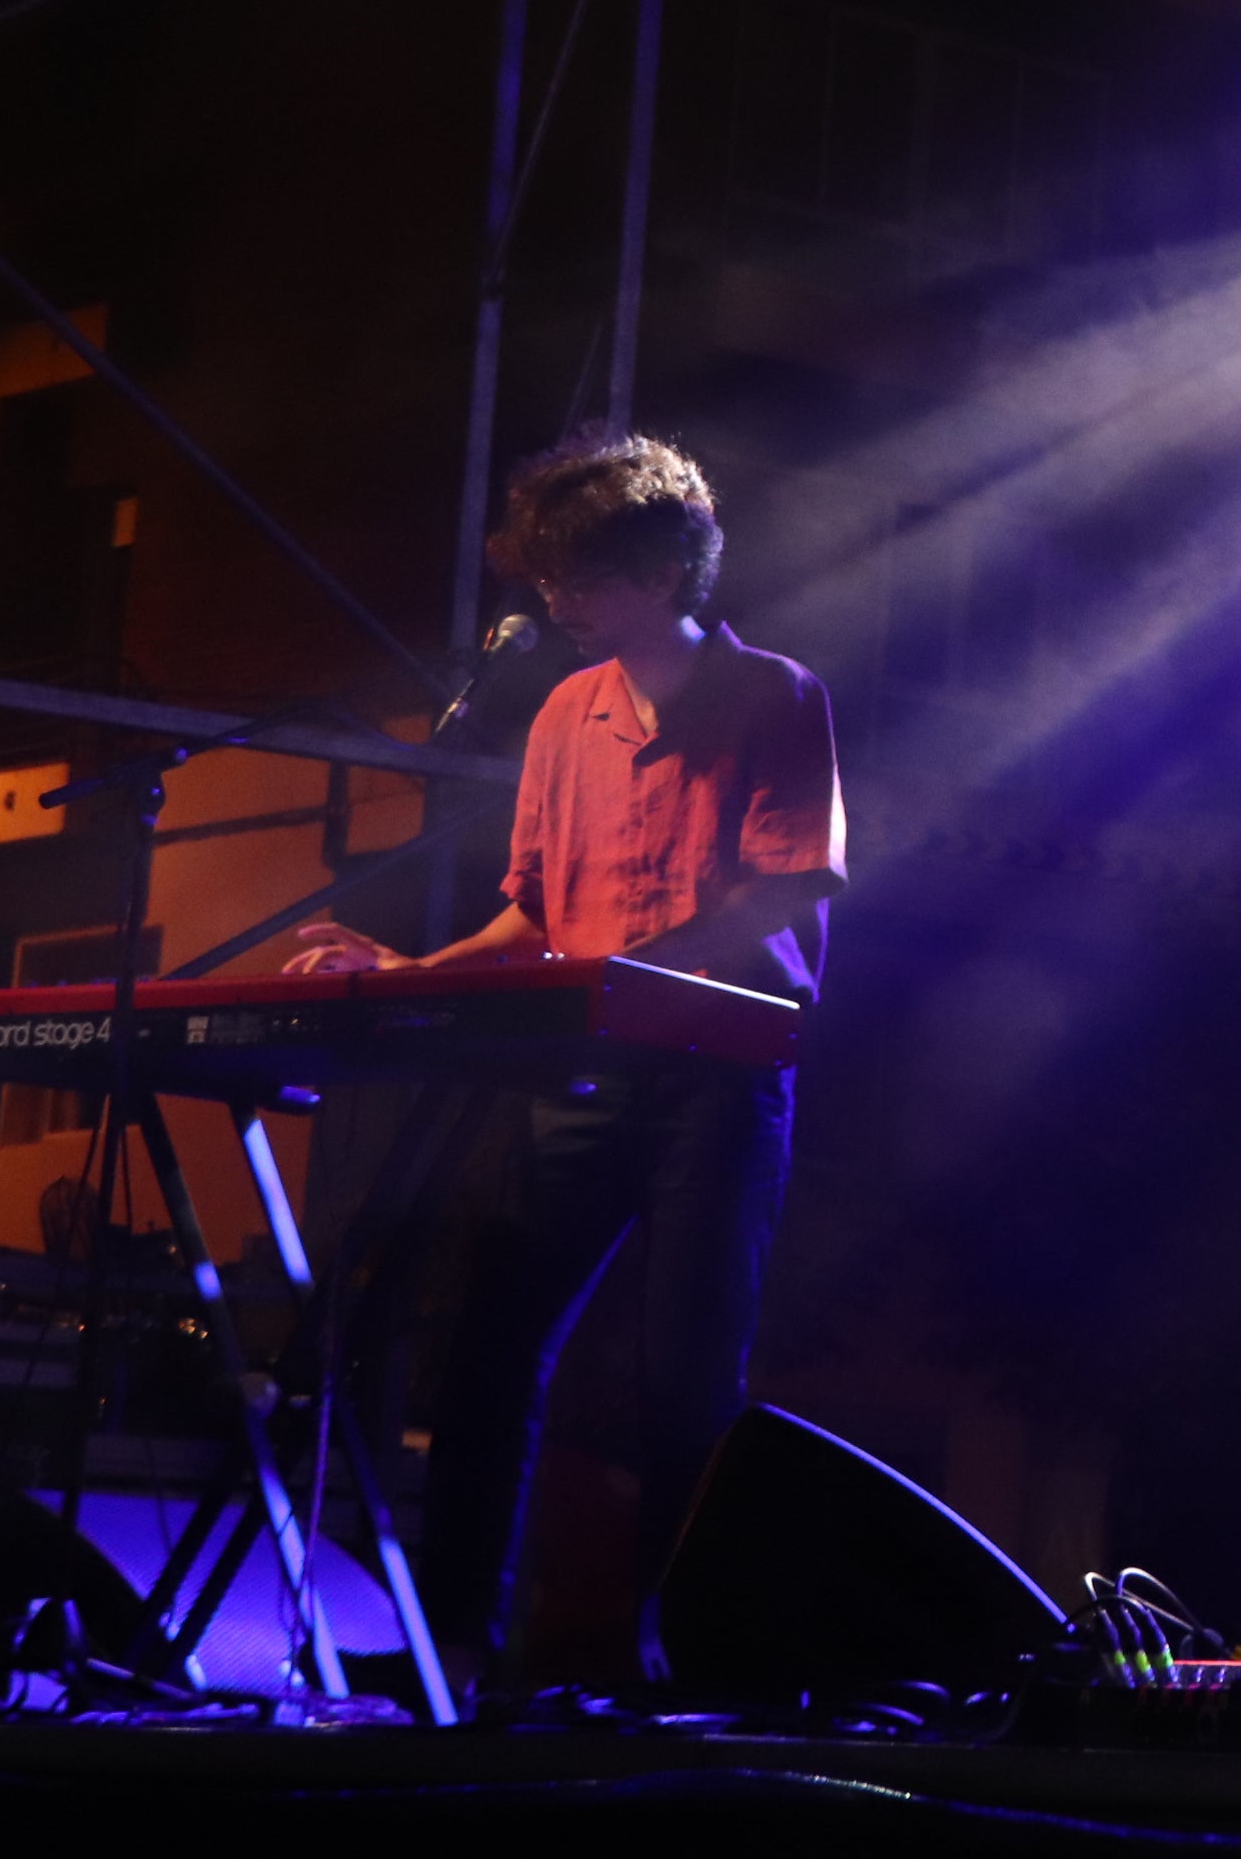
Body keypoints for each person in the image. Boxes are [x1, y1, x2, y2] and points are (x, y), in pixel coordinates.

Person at [287, 434, 846, 1689]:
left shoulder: (776, 696)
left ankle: (684, 1661)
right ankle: (457, 1644)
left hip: (721, 1069)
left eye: (577, 577)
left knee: (689, 1366)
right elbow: (533, 909)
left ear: (660, 570)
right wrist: (411, 973)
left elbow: (787, 887)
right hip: (589, 1067)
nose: (554, 600)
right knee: (492, 1344)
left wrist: (630, 968)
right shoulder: (561, 712)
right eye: (547, 576)